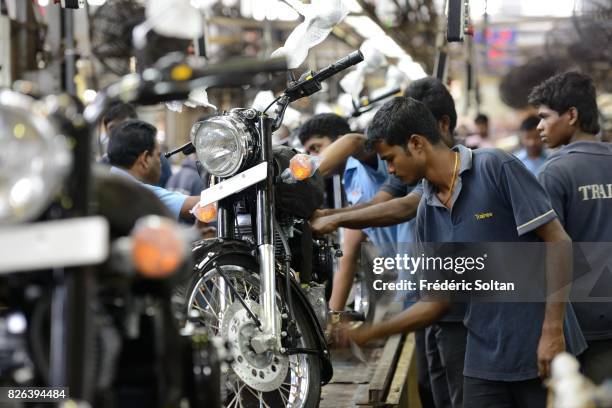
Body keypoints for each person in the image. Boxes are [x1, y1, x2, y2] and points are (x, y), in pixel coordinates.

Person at [335, 96, 586, 408]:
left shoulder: (495, 167)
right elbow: (437, 302)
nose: (390, 169)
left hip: (537, 349)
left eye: (390, 158)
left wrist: (552, 332)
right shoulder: (427, 210)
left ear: (416, 144)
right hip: (482, 359)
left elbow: (558, 242)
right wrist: (369, 333)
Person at [313, 77, 464, 408]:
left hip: (462, 312)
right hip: (424, 297)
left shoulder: (473, 170)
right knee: (431, 384)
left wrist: (309, 179)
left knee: (459, 390)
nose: (390, 167)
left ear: (438, 126)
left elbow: (404, 207)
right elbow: (377, 205)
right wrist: (330, 213)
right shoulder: (412, 174)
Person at [529, 71, 612, 384]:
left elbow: (547, 256)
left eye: (544, 117)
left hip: (582, 329)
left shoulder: (553, 173)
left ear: (572, 115)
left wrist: (550, 331)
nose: (539, 127)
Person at [107, 119, 200, 221]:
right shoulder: (136, 193)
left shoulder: (105, 183)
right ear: (144, 159)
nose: (160, 163)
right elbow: (198, 205)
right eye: (158, 156)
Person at [100, 102, 173, 187]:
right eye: (112, 128)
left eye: (125, 127)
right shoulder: (101, 166)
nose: (118, 132)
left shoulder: (157, 161)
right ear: (105, 130)